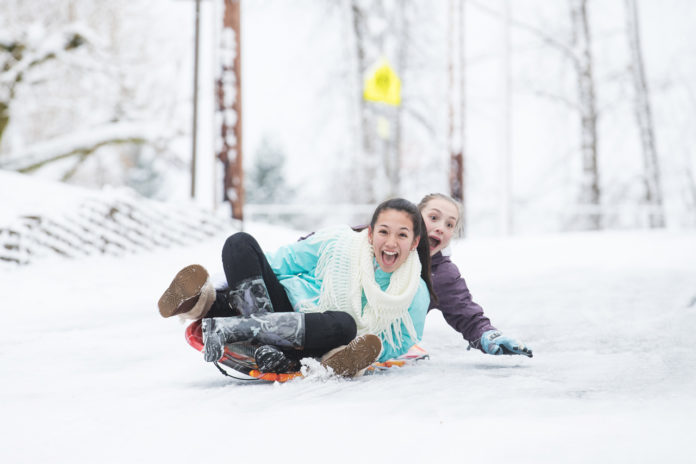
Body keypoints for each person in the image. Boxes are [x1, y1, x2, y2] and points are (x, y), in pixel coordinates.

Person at [158, 198, 436, 377]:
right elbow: (283, 261)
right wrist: (234, 278)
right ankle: (214, 308)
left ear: (413, 242)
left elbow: (396, 343)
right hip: (279, 305)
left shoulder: (413, 292)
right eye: (384, 231)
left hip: (317, 337)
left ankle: (211, 310)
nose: (390, 242)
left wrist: (355, 352)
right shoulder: (337, 242)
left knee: (345, 324)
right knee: (239, 243)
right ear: (371, 233)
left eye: (402, 235)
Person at [418, 193, 532, 357]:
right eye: (433, 217)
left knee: (420, 285)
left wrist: (488, 335)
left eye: (449, 225)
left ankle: (385, 345)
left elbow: (466, 314)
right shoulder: (381, 244)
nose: (441, 228)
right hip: (367, 322)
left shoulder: (442, 274)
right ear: (413, 217)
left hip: (391, 341)